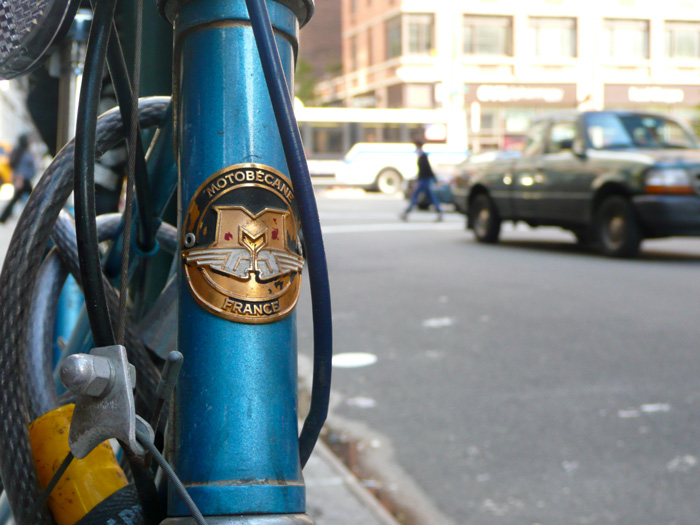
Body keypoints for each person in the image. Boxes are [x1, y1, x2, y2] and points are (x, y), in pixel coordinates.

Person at [400, 139, 443, 222]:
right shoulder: (421, 156)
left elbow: (428, 169)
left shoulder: (423, 156)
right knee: (430, 197)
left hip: (424, 180)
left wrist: (434, 179)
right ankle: (439, 212)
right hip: (424, 179)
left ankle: (406, 212)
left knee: (416, 196)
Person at [0, 134, 36, 223]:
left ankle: (3, 218)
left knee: (17, 199)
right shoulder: (23, 153)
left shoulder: (20, 151)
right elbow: (21, 168)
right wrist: (19, 179)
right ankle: (35, 217)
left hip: (22, 180)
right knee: (35, 198)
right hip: (23, 181)